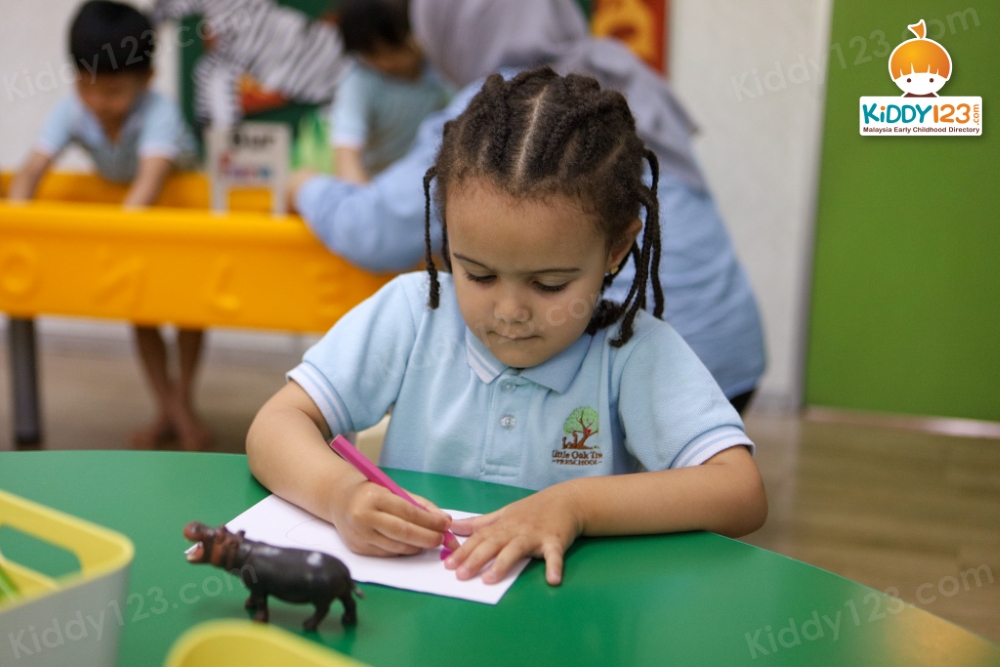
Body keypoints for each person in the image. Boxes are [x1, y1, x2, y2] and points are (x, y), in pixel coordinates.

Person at [247, 68, 767, 587]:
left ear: (616, 248)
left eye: (549, 284)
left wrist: (575, 505)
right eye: (479, 274)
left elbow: (740, 493)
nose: (510, 310)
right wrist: (341, 494)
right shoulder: (411, 314)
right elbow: (277, 425)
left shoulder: (633, 352)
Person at [288, 0, 765, 412]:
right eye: (478, 274)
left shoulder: (499, 111)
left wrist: (305, 186)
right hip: (733, 353)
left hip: (635, 379)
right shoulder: (613, 74)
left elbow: (376, 232)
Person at [9, 0, 209, 451]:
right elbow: (31, 171)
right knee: (142, 317)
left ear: (147, 80)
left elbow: (149, 183)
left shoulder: (161, 114)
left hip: (178, 222)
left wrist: (111, 237)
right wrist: (18, 221)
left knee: (192, 314)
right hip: (134, 226)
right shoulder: (74, 111)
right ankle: (173, 412)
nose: (99, 102)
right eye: (87, 87)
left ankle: (183, 407)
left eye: (114, 91)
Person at [330, 0, 451, 183]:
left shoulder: (441, 65)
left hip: (434, 183)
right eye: (371, 54)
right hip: (377, 186)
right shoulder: (359, 81)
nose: (386, 62)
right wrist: (363, 205)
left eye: (395, 49)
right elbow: (346, 156)